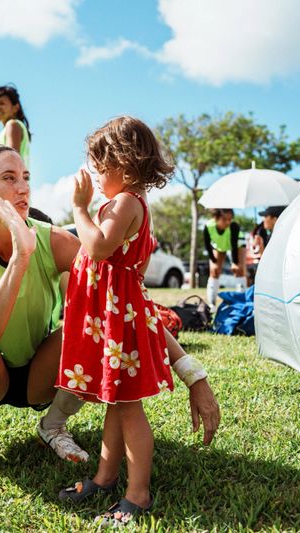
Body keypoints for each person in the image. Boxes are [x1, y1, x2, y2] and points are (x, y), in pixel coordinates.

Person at [0, 142, 220, 478]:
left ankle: (53, 425)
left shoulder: (55, 240)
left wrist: (192, 373)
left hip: (41, 376)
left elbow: (126, 305)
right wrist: (20, 257)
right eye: (9, 178)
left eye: (25, 178)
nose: (23, 188)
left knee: (99, 329)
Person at [56, 116, 218, 526]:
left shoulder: (126, 202)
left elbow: (98, 246)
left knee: (129, 409)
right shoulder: (123, 202)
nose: (95, 176)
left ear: (124, 167)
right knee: (117, 403)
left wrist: (78, 207)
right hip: (115, 318)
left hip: (120, 321)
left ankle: (138, 493)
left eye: (100, 167)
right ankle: (105, 478)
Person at [203, 208, 246, 308]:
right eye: (224, 219)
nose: (227, 222)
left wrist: (235, 262)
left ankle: (241, 302)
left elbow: (234, 245)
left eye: (230, 219)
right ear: (216, 218)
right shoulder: (208, 226)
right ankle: (211, 304)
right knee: (214, 271)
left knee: (239, 270)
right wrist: (213, 262)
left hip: (238, 244)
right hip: (220, 246)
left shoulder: (234, 226)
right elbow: (207, 245)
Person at [0, 85, 31, 168]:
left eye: (2, 103)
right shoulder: (11, 127)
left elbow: (11, 159)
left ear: (15, 108)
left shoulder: (12, 125)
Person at [246, 205, 286, 285]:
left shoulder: (281, 236)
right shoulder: (272, 235)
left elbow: (272, 263)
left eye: (266, 216)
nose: (263, 219)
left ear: (275, 219)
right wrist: (261, 245)